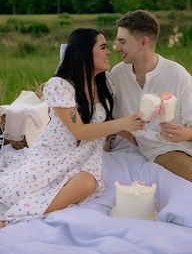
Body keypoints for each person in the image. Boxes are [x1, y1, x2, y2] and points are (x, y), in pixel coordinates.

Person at [0, 28, 144, 227]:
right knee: (13, 192)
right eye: (103, 47)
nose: (109, 51)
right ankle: (13, 219)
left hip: (85, 157)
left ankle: (20, 215)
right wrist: (124, 122)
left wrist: (133, 136)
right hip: (54, 154)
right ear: (85, 53)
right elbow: (80, 131)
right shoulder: (60, 86)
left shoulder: (106, 83)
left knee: (87, 183)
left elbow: (103, 121)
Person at [111, 10, 192, 198]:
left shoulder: (177, 74)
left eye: (122, 42)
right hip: (161, 148)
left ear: (143, 42)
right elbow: (108, 115)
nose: (116, 47)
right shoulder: (117, 76)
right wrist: (132, 135)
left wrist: (186, 133)